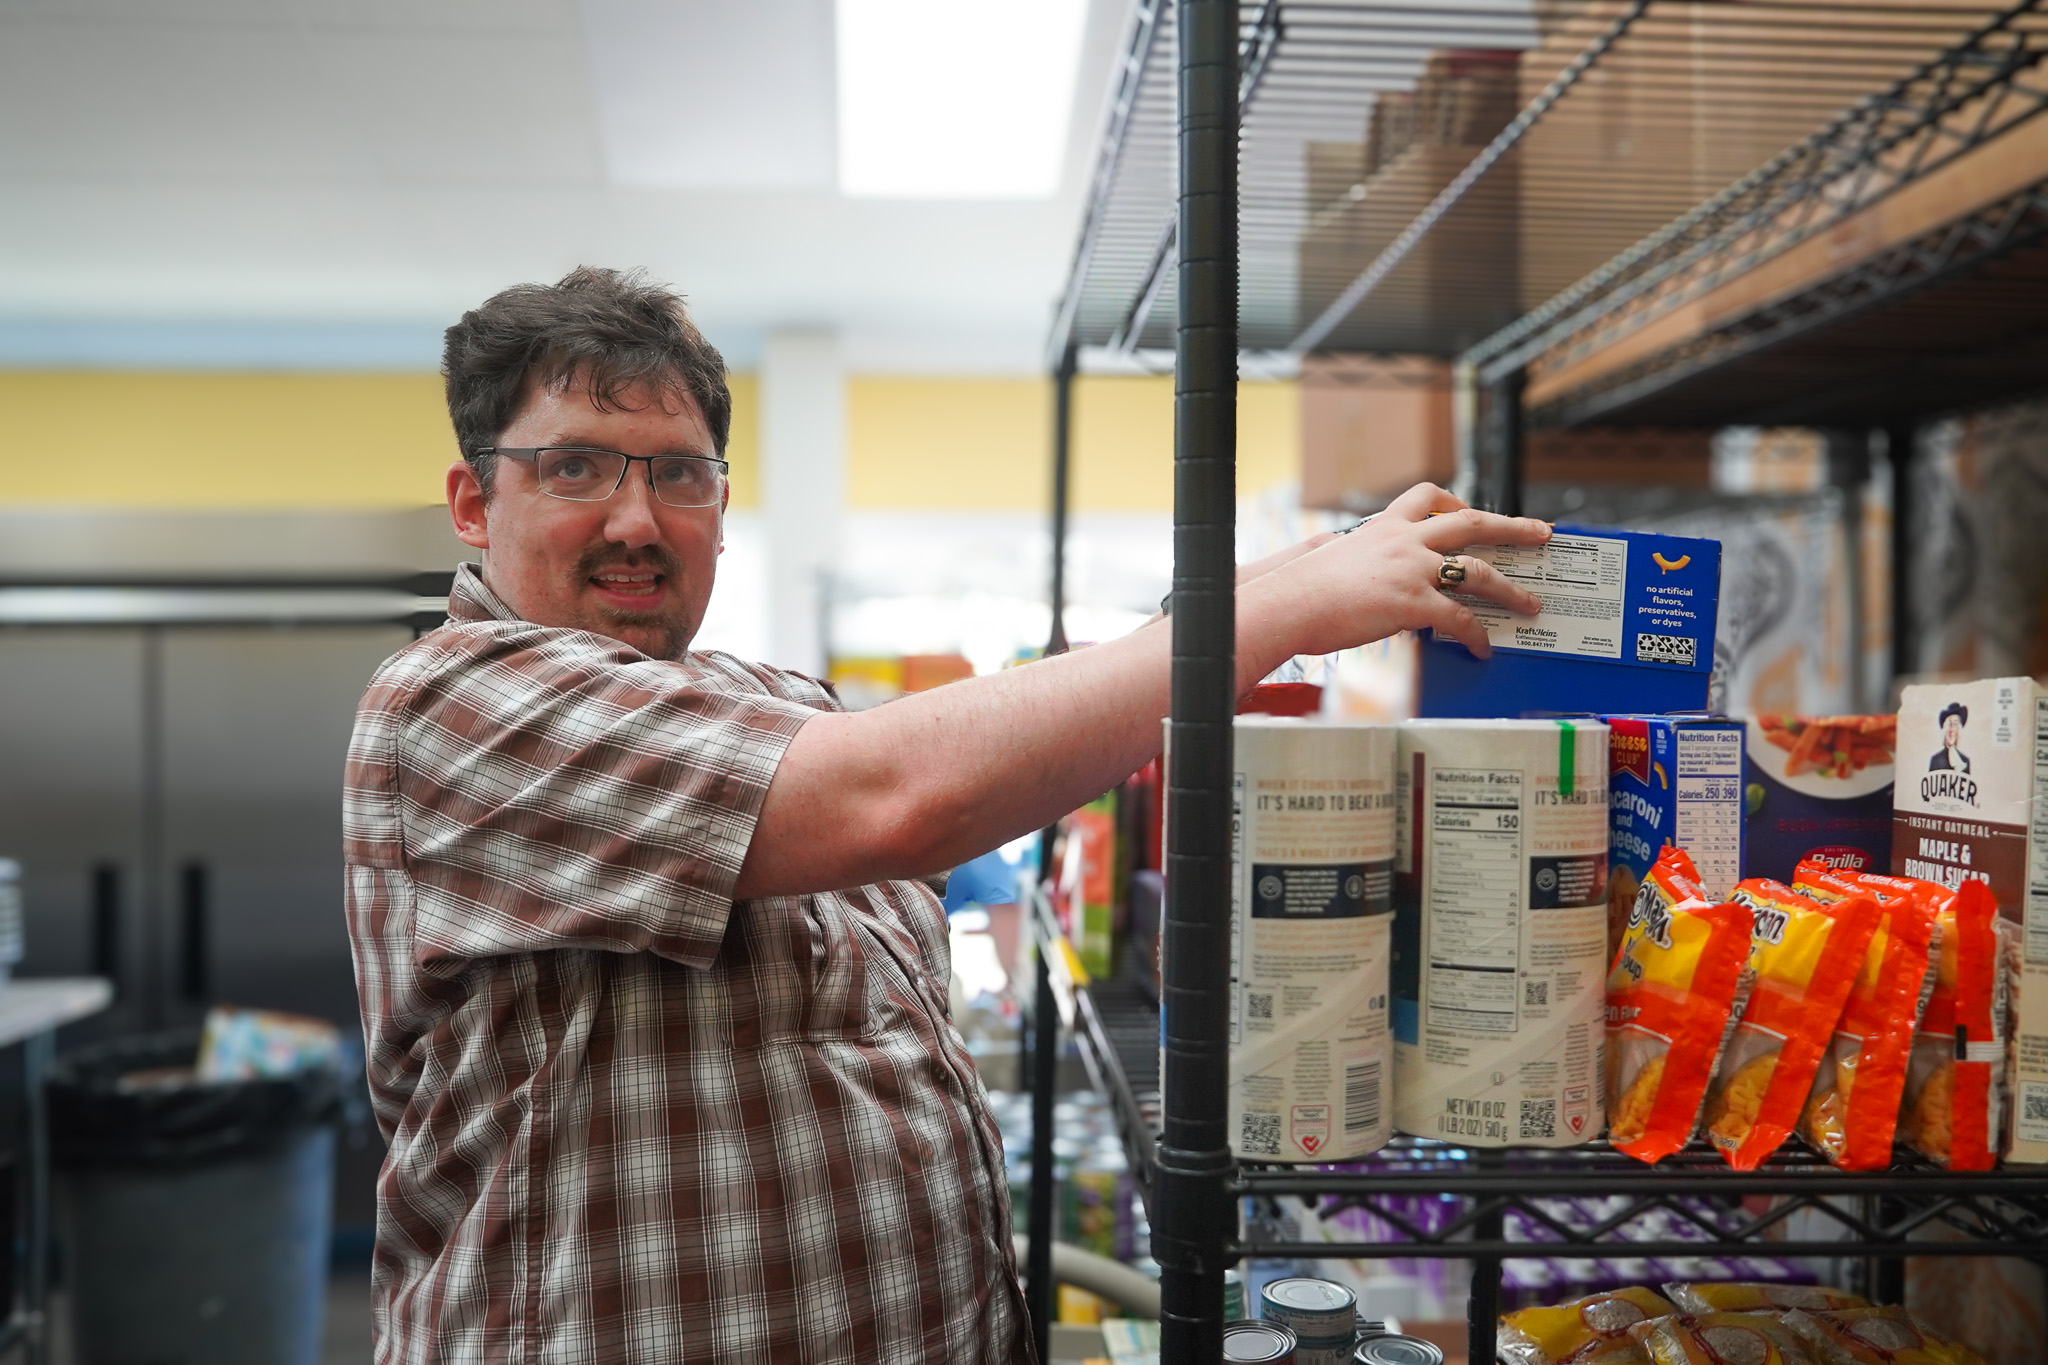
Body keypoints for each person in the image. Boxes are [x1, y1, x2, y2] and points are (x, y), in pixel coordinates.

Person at [343, 267, 1548, 1363]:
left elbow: (997, 738)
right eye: (574, 468)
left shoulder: (766, 701)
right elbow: (903, 796)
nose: (635, 521)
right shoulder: (451, 705)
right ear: (469, 503)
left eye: (678, 472)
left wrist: (1306, 572)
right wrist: (1283, 611)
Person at [1929, 702, 1971, 772]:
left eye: (1955, 724)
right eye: (1949, 724)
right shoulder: (1936, 759)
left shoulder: (1965, 760)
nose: (1952, 729)